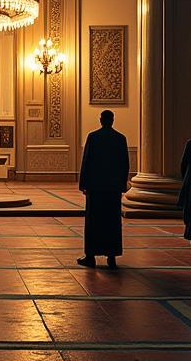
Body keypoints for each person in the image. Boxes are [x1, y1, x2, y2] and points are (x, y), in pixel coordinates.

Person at [77, 109, 130, 269]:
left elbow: (86, 161)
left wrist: (83, 184)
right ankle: (111, 256)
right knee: (112, 222)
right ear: (112, 120)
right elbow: (124, 164)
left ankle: (91, 256)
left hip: (96, 188)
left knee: (93, 221)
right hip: (113, 189)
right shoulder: (120, 138)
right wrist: (122, 185)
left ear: (101, 120)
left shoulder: (93, 137)